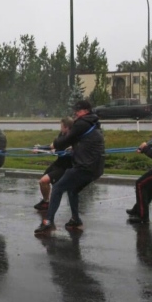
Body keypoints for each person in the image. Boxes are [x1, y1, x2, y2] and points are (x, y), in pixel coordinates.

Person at [35, 100, 105, 237]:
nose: (75, 113)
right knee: (72, 190)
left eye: (77, 111)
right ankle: (75, 220)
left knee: (57, 188)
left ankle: (48, 222)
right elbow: (85, 142)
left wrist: (54, 144)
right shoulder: (93, 123)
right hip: (96, 168)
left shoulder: (82, 123)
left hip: (85, 167)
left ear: (85, 111)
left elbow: (65, 140)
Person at [33, 117, 74, 211]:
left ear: (66, 127)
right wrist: (40, 149)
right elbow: (52, 146)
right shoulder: (62, 135)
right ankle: (46, 201)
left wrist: (57, 150)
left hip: (67, 167)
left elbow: (66, 150)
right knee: (42, 182)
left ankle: (50, 205)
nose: (60, 128)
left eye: (61, 126)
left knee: (44, 181)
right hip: (59, 163)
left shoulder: (73, 137)